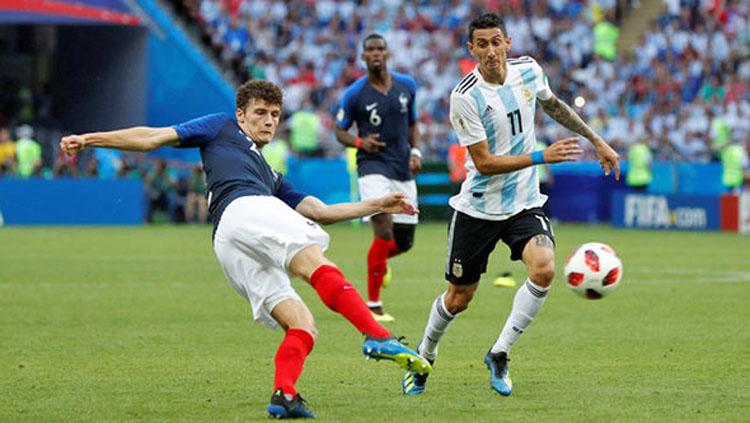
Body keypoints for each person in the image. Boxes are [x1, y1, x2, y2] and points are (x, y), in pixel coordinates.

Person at [60, 80, 431, 419]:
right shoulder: (221, 127)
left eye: (274, 115)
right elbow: (153, 137)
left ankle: (284, 395)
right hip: (245, 209)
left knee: (302, 324)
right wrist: (90, 139)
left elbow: (320, 211)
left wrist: (379, 204)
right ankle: (375, 335)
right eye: (260, 113)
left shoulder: (269, 175)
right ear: (241, 114)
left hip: (228, 239)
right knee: (311, 258)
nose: (268, 121)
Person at [401, 13, 620, 397]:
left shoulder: (529, 72)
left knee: (545, 268)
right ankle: (424, 355)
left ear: (508, 42)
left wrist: (596, 140)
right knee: (459, 298)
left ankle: (499, 352)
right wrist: (541, 157)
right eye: (481, 44)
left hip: (524, 202)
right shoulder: (465, 97)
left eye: (495, 42)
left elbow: (554, 106)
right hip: (479, 208)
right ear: (471, 50)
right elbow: (483, 162)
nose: (490, 51)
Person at [334, 33, 422, 323]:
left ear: (387, 53)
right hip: (372, 165)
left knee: (404, 241)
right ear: (363, 56)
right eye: (369, 49)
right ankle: (373, 305)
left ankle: (379, 262)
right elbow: (340, 131)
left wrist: (416, 151)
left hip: (402, 167)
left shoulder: (406, 85)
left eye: (380, 49)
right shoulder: (355, 93)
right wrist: (360, 143)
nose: (375, 54)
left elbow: (412, 123)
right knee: (383, 230)